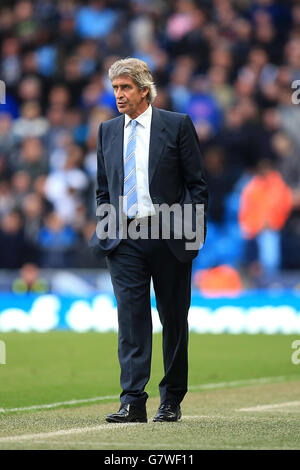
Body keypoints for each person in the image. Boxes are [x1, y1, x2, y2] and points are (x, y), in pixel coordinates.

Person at [89, 58, 208, 423]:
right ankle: (132, 401)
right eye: (115, 89)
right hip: (125, 238)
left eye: (125, 87)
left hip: (168, 236)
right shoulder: (107, 131)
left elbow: (197, 186)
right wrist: (108, 226)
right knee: (131, 318)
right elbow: (103, 190)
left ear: (144, 89)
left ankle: (170, 399)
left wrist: (190, 232)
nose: (119, 95)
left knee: (173, 318)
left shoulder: (176, 125)